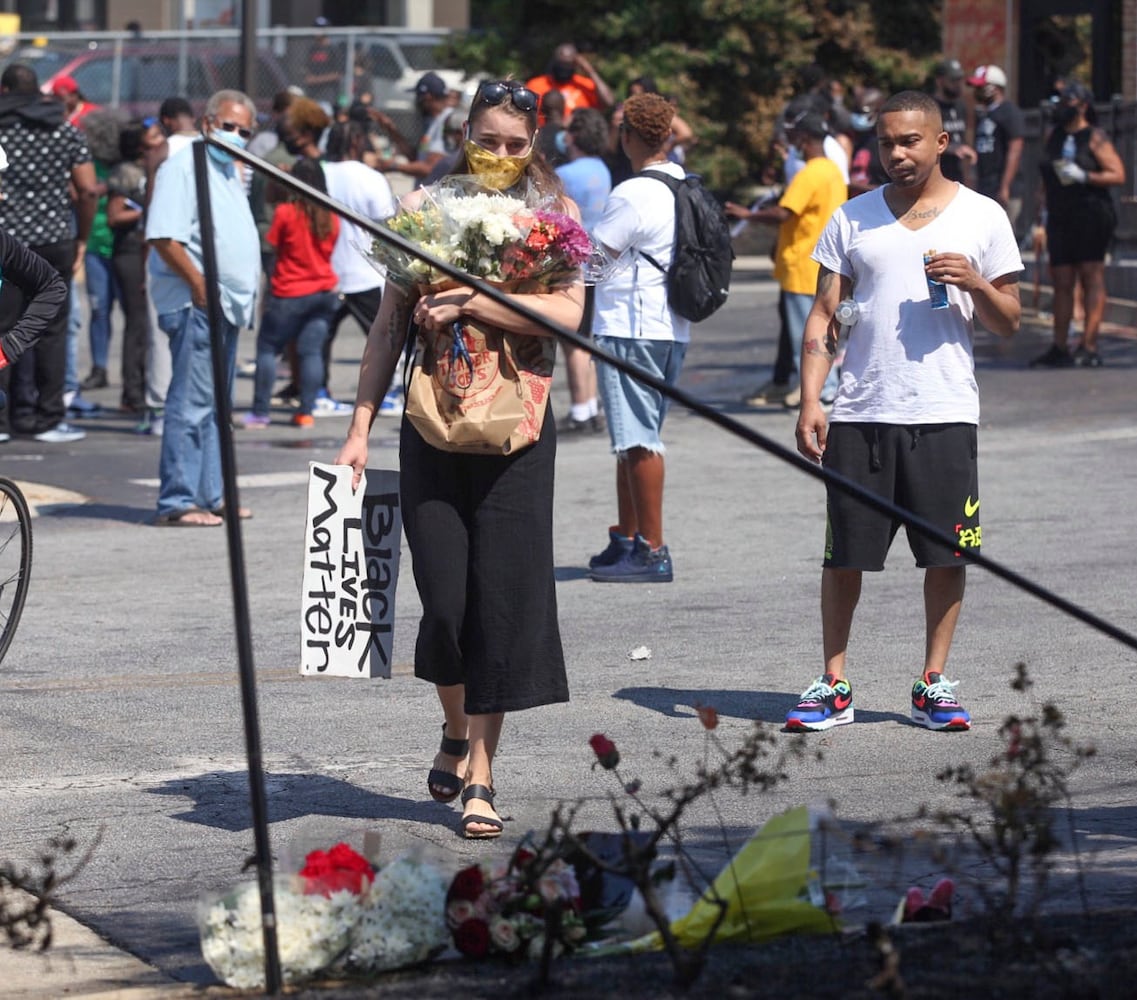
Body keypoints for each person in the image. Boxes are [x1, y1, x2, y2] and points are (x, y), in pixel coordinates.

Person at [335, 79, 585, 839]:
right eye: (487, 140)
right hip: (432, 424)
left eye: (515, 144)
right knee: (444, 605)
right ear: (464, 132)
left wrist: (473, 300)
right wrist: (357, 428)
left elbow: (569, 317)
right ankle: (452, 726)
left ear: (535, 143)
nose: (500, 155)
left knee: (499, 605)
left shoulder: (556, 216)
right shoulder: (425, 210)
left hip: (519, 432)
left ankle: (481, 771)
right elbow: (384, 330)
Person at [789, 90, 1022, 733]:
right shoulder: (852, 218)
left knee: (946, 555)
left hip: (944, 410)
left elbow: (1010, 321)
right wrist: (813, 398)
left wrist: (975, 282)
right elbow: (823, 314)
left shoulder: (982, 216)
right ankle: (833, 684)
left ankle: (933, 683)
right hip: (861, 410)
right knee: (844, 556)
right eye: (887, 142)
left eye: (910, 141)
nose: (897, 153)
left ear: (941, 142)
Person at [146, 89, 260, 527]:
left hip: (224, 305)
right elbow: (163, 237)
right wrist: (198, 284)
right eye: (228, 126)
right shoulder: (185, 165)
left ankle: (213, 493)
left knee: (216, 406)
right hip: (197, 303)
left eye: (244, 130)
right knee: (192, 404)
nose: (235, 135)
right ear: (208, 122)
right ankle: (178, 499)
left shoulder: (229, 170)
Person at [587, 92, 688, 584]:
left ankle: (651, 548)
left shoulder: (632, 192)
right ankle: (627, 536)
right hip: (672, 327)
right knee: (630, 438)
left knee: (640, 439)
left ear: (627, 136)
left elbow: (594, 263)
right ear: (667, 135)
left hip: (630, 324)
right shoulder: (684, 185)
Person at [0, 62, 98, 444]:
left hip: (9, 239)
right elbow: (88, 190)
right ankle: (50, 416)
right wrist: (81, 238)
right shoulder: (63, 129)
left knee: (5, 325)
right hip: (54, 235)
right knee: (52, 328)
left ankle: (8, 417)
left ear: (4, 90)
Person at [725, 110, 846, 407]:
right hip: (820, 263)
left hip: (802, 263)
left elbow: (784, 212)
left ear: (804, 140)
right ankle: (822, 387)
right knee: (822, 329)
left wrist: (748, 214)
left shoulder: (810, 174)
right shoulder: (832, 171)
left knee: (803, 337)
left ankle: (820, 389)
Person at [1030, 82, 1125, 369]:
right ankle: (1059, 346)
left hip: (1091, 214)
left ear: (1082, 105)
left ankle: (1089, 344)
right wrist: (1041, 214)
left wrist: (1086, 176)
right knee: (1061, 279)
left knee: (1090, 275)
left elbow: (1117, 174)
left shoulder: (1094, 137)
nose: (1062, 106)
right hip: (1060, 215)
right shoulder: (1053, 135)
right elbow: (1044, 178)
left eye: (1068, 100)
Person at [244, 157, 339, 429]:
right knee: (311, 353)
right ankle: (305, 411)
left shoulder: (286, 212)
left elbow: (272, 245)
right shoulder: (331, 214)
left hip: (289, 291)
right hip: (323, 290)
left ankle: (261, 412)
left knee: (267, 349)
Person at [321, 120, 398, 413]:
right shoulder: (370, 177)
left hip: (328, 271)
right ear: (357, 143)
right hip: (365, 271)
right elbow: (388, 220)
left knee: (321, 338)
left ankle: (319, 391)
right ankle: (388, 393)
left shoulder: (319, 173)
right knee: (384, 337)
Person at [555, 107, 611, 434]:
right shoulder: (602, 169)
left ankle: (580, 410)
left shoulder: (568, 174)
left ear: (573, 136)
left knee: (572, 340)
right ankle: (590, 405)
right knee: (586, 338)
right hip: (597, 260)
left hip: (573, 262)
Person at [104, 120, 150, 413]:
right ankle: (131, 392)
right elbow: (114, 216)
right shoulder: (126, 174)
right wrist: (147, 210)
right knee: (137, 322)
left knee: (145, 324)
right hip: (129, 252)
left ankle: (142, 385)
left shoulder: (148, 170)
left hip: (144, 250)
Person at [967, 65, 1024, 227]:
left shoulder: (1009, 112)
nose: (976, 91)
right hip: (986, 186)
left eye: (980, 87)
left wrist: (1005, 186)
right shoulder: (984, 114)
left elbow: (1015, 150)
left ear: (994, 87)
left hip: (1002, 188)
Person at [372, 72, 451, 183]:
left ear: (427, 97)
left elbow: (430, 167)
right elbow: (416, 159)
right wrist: (390, 129)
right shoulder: (433, 122)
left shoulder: (447, 121)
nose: (416, 101)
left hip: (435, 196)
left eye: (418, 96)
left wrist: (393, 166)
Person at [526, 43, 614, 120]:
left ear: (575, 64)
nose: (564, 68)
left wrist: (590, 70)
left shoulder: (584, 84)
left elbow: (609, 101)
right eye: (561, 63)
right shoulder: (536, 85)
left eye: (568, 64)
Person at [929, 58, 975, 184]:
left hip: (958, 176)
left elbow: (965, 137)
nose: (958, 84)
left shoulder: (961, 106)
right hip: (937, 175)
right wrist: (950, 148)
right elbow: (925, 141)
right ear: (940, 81)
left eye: (960, 80)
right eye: (953, 80)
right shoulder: (930, 107)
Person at [304, 18, 342, 110]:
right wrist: (307, 75)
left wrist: (316, 79)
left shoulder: (333, 49)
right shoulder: (312, 49)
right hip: (312, 95)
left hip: (327, 95)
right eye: (316, 28)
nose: (317, 31)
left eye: (321, 28)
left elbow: (337, 74)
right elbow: (307, 68)